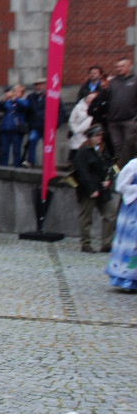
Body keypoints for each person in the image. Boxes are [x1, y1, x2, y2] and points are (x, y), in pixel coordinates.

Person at [73, 126, 118, 253]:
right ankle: (85, 243)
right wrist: (92, 189)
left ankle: (106, 243)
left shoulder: (104, 149)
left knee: (110, 213)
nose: (100, 138)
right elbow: (83, 173)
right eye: (97, 135)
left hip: (102, 187)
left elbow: (112, 166)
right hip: (88, 188)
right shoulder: (83, 151)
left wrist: (110, 180)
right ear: (91, 137)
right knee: (86, 216)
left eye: (101, 135)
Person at [106, 157, 137, 290]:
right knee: (131, 243)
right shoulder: (133, 165)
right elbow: (120, 185)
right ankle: (127, 278)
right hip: (133, 209)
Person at [104, 57, 137, 160]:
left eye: (122, 66)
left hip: (130, 119)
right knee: (117, 146)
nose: (119, 69)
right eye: (117, 67)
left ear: (129, 66)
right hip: (113, 120)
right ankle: (120, 169)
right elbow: (106, 99)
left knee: (129, 145)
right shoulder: (112, 82)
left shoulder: (135, 80)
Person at [0, 84, 29, 167]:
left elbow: (25, 106)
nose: (15, 93)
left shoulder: (23, 101)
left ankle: (16, 167)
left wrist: (15, 99)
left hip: (17, 130)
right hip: (5, 128)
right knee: (4, 150)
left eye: (18, 91)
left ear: (22, 93)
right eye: (14, 91)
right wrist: (4, 99)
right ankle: (4, 167)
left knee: (16, 151)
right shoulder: (8, 102)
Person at [23, 77, 47, 168]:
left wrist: (56, 124)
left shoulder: (52, 96)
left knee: (48, 145)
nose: (37, 87)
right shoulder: (31, 97)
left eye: (40, 85)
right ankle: (30, 161)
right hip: (35, 126)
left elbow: (60, 111)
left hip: (47, 126)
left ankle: (47, 163)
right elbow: (27, 111)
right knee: (32, 140)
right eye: (36, 85)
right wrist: (27, 123)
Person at [68, 93, 97, 161]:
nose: (90, 99)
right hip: (78, 133)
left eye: (92, 98)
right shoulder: (78, 107)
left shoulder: (96, 108)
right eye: (89, 97)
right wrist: (75, 130)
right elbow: (72, 120)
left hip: (89, 134)